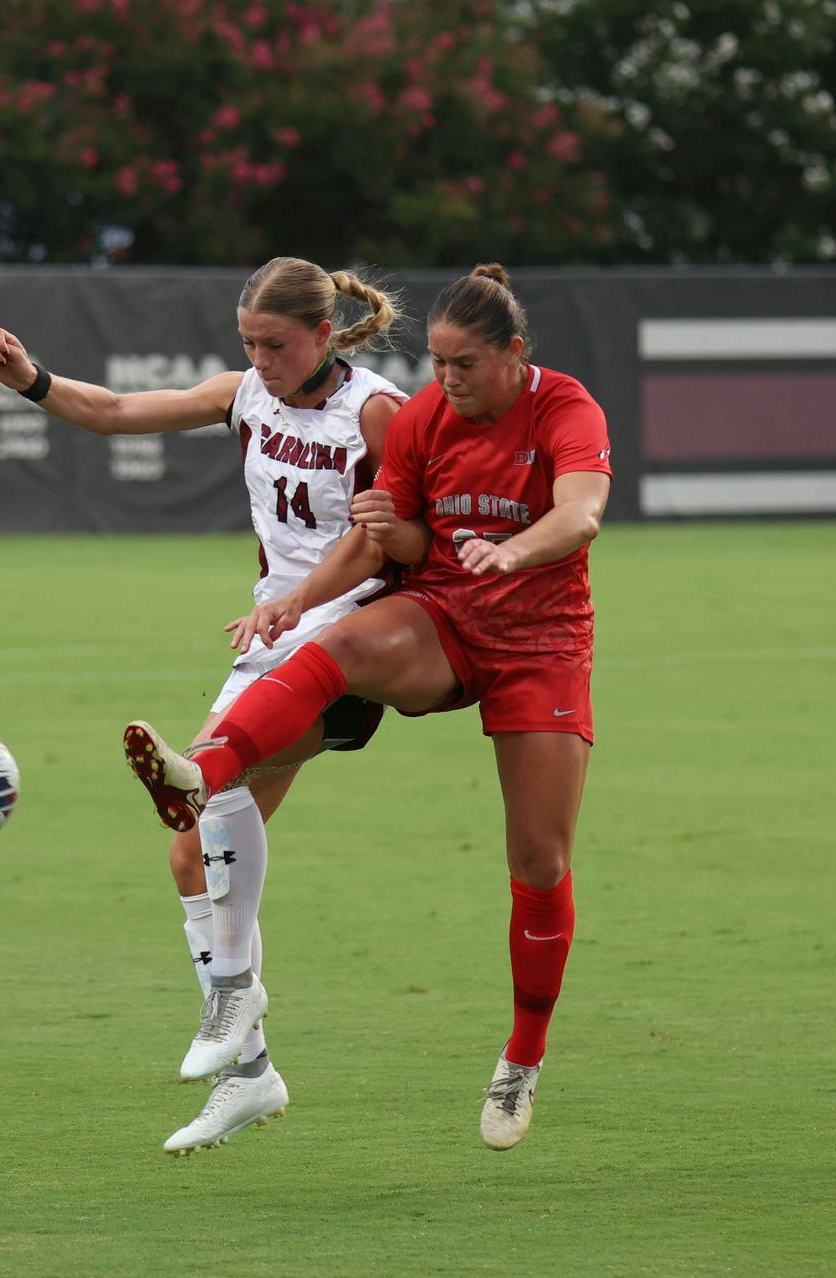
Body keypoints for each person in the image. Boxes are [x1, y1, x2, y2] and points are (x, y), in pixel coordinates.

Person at [123, 262, 611, 1151]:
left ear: (514, 353)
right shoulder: (425, 418)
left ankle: (521, 1057)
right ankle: (205, 770)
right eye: (437, 361)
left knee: (539, 861)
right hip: (448, 620)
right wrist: (297, 602)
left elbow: (581, 515)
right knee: (336, 648)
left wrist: (515, 552)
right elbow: (383, 539)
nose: (447, 379)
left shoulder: (566, 408)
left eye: (465, 364)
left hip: (540, 645)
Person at [0, 257, 411, 1155]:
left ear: (324, 335)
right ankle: (251, 1075)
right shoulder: (245, 393)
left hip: (347, 642)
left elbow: (381, 545)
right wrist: (34, 381)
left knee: (211, 778)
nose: (259, 358)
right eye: (247, 341)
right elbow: (115, 413)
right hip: (272, 637)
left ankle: (233, 990)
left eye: (276, 344)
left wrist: (293, 604)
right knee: (186, 856)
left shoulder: (374, 411)